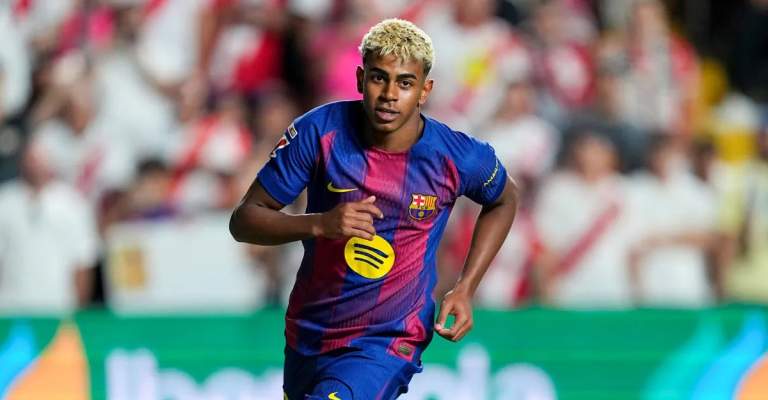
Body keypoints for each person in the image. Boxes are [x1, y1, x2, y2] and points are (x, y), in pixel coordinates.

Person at [229, 18, 518, 399]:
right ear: (360, 78)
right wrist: (319, 224)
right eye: (379, 78)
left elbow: (504, 199)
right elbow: (244, 220)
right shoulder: (319, 132)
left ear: (425, 90)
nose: (390, 94)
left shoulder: (456, 156)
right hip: (310, 330)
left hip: (389, 338)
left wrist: (466, 286)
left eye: (405, 83)